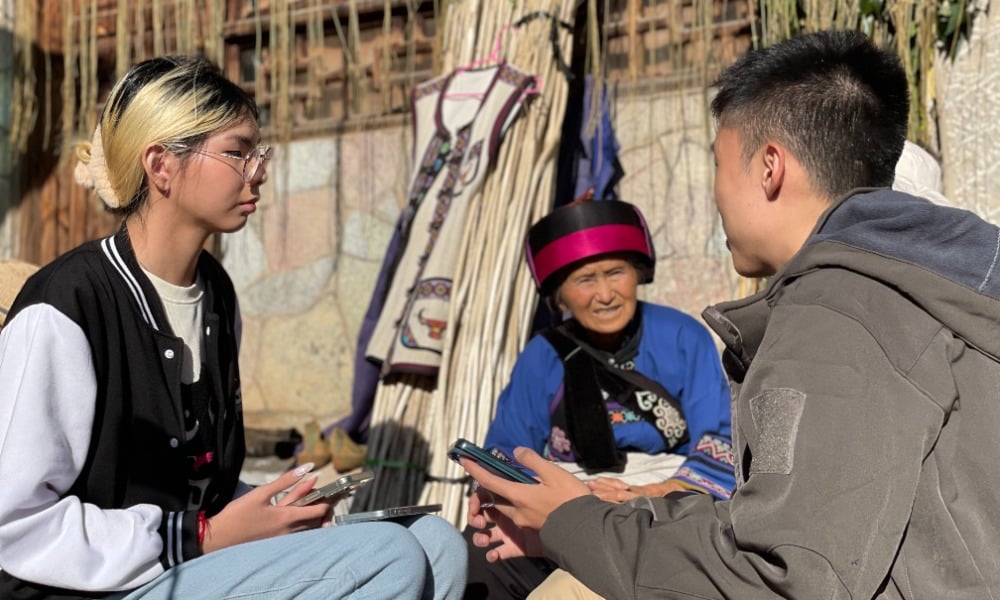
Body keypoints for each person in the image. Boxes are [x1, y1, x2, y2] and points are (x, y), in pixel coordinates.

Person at [458, 29, 1000, 599]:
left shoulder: (835, 316)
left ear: (770, 167)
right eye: (584, 281)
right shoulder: (936, 277)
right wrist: (581, 516)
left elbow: (783, 576)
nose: (603, 294)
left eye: (719, 163)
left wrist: (578, 522)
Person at [0, 55, 466, 599]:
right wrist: (200, 536)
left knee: (436, 542)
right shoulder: (68, 305)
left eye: (257, 153)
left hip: (181, 567)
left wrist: (275, 507)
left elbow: (198, 484)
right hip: (95, 589)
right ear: (161, 165)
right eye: (237, 152)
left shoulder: (216, 295)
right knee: (387, 556)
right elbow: (16, 522)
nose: (258, 171)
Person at [464, 199, 733, 598]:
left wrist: (651, 494)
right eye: (585, 280)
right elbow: (507, 446)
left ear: (637, 273)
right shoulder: (543, 355)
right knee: (483, 550)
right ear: (560, 296)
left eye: (615, 273)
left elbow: (720, 439)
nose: (605, 294)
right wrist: (515, 492)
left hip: (664, 498)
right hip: (568, 498)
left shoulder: (681, 335)